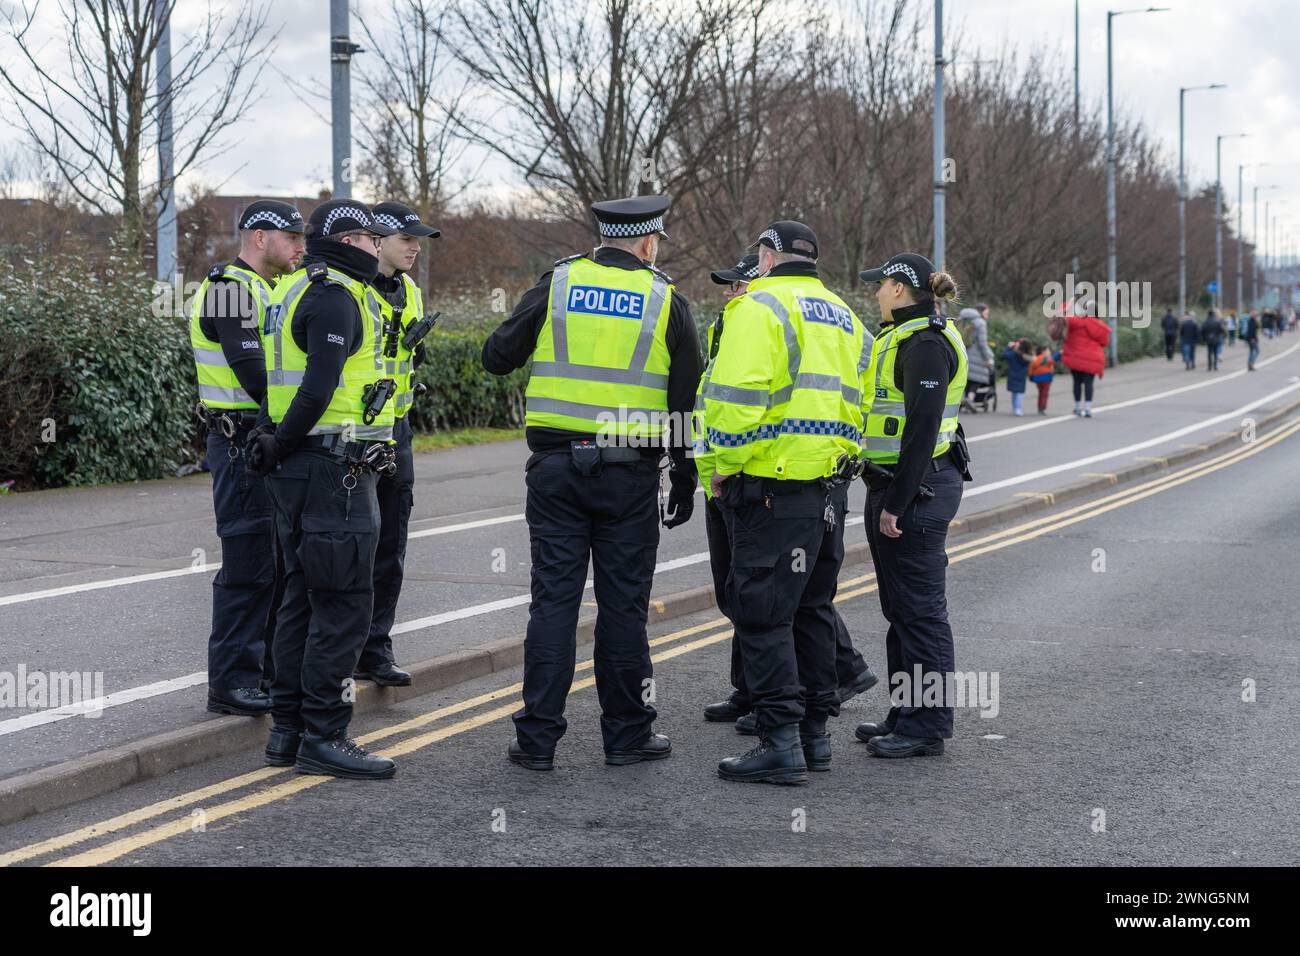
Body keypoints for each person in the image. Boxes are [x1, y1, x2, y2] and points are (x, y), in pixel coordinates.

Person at [482, 195, 699, 771]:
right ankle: (627, 735)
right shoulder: (666, 299)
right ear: (649, 243)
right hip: (629, 476)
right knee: (623, 608)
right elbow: (685, 398)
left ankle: (536, 741)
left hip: (555, 469)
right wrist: (685, 474)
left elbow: (496, 356)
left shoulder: (557, 283)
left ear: (600, 237)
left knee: (552, 604)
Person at [701, 220, 868, 784]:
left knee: (762, 615)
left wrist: (722, 464)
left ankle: (779, 743)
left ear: (766, 257)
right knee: (812, 610)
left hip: (770, 488)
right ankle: (815, 737)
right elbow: (861, 396)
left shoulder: (757, 307)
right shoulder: (845, 315)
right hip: (829, 488)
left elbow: (735, 399)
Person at [247, 200, 400, 780]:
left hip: (299, 469)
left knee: (301, 601)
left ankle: (287, 732)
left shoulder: (292, 287)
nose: (376, 248)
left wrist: (269, 438)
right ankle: (325, 734)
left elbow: (278, 381)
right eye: (370, 238)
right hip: (331, 469)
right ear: (351, 240)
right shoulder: (336, 294)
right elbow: (316, 388)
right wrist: (281, 441)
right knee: (342, 607)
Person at [854, 252, 969, 758]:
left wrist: (894, 504)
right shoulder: (903, 336)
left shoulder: (925, 343)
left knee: (921, 614)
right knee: (901, 611)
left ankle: (927, 726)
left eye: (879, 284)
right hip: (899, 486)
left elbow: (922, 430)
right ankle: (906, 712)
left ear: (899, 288)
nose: (875, 293)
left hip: (916, 490)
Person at [191, 200, 303, 716]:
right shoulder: (230, 290)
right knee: (248, 563)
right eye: (292, 238)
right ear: (260, 238)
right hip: (239, 442)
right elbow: (251, 372)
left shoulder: (271, 288)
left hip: (263, 439)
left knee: (276, 563)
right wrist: (297, 419)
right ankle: (232, 682)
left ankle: (262, 672)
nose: (301, 247)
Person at [354, 201, 441, 689]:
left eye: (418, 240)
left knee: (391, 544)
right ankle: (343, 648)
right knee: (351, 546)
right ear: (377, 239)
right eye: (406, 239)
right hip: (353, 434)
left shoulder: (409, 289)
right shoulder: (351, 287)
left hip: (398, 430)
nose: (414, 248)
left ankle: (376, 648)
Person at [1062, 299, 1110, 417]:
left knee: (1077, 382)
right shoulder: (1100, 326)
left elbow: (1062, 318)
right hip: (1093, 358)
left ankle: (1078, 408)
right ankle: (1088, 408)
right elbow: (1105, 342)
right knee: (1089, 383)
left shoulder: (1076, 321)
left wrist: (1068, 304)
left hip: (1075, 356)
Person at [958, 305, 994, 409]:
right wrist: (989, 358)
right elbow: (982, 344)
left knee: (967, 378)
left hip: (962, 352)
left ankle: (963, 400)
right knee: (977, 379)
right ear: (981, 312)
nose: (987, 316)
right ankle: (970, 398)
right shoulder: (981, 323)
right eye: (987, 313)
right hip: (976, 355)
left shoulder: (961, 319)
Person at [1003, 337, 1031, 416]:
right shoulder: (1027, 356)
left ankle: (1015, 408)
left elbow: (1004, 355)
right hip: (1021, 376)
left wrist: (1009, 347)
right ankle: (1018, 408)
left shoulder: (1013, 354)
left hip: (1012, 375)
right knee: (1020, 392)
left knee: (1014, 392)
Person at [1027, 342, 1058, 415]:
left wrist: (1030, 375)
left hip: (1038, 378)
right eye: (1048, 350)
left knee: (1040, 393)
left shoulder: (1036, 358)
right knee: (1044, 394)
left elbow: (1032, 367)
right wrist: (1059, 354)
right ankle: (1042, 408)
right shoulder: (1045, 358)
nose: (1049, 352)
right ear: (1043, 351)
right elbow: (1052, 361)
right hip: (1046, 378)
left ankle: (1039, 407)